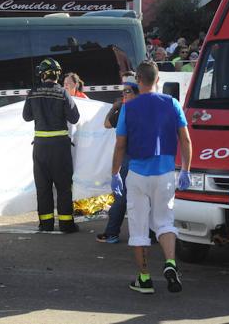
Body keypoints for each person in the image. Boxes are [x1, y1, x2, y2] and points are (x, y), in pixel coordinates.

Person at [111, 60, 191, 294]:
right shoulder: (172, 103)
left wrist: (114, 173)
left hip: (137, 174)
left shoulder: (129, 107)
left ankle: (144, 278)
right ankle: (170, 263)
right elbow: (185, 140)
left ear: (138, 80)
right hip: (165, 173)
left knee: (138, 227)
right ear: (158, 79)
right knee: (165, 222)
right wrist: (185, 169)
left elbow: (120, 145)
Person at [23, 57, 80, 233]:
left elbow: (26, 116)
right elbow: (75, 118)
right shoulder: (63, 93)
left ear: (42, 74)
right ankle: (66, 224)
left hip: (40, 148)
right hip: (60, 149)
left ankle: (46, 224)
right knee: (63, 187)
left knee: (43, 187)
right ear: (57, 75)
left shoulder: (33, 92)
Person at [96, 72, 139, 243]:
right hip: (145, 159)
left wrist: (114, 107)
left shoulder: (123, 107)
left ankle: (112, 233)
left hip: (129, 158)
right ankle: (150, 235)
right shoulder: (150, 105)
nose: (124, 94)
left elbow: (107, 125)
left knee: (121, 198)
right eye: (123, 91)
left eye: (127, 91)